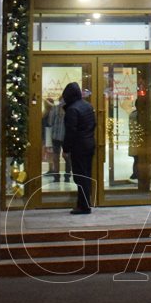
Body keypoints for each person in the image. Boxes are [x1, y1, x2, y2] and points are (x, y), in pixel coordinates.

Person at [61, 81, 96, 214]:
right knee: (86, 174)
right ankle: (85, 203)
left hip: (79, 147)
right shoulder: (88, 106)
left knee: (80, 176)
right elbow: (93, 124)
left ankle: (84, 205)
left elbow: (70, 131)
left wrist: (66, 149)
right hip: (89, 144)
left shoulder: (72, 110)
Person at [45, 97, 67, 182]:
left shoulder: (55, 108)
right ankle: (67, 175)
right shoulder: (70, 108)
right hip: (66, 136)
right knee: (67, 156)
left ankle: (56, 176)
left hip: (55, 136)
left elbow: (50, 122)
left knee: (56, 157)